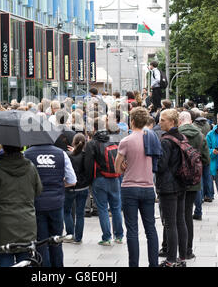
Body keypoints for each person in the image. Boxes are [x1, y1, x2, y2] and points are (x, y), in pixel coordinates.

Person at [0, 145, 42, 267]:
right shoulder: (31, 168)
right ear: (21, 148)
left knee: (4, 256)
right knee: (25, 259)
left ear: (4, 147)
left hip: (1, 222)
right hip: (26, 221)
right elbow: (38, 190)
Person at [114, 107, 159, 267]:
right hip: (148, 188)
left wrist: (126, 165)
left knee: (132, 230)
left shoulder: (126, 141)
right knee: (150, 229)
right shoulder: (152, 139)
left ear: (132, 121)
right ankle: (153, 263)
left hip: (130, 188)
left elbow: (117, 168)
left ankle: (134, 264)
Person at [24, 141, 77, 267]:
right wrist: (59, 185)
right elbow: (72, 180)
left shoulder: (27, 155)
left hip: (37, 205)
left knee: (41, 242)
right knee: (56, 241)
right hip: (56, 204)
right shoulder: (61, 154)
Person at [84, 116, 124, 246]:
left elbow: (88, 164)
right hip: (115, 177)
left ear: (94, 128)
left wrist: (89, 181)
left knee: (102, 209)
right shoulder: (114, 139)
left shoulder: (92, 143)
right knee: (116, 208)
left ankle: (106, 238)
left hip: (99, 179)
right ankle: (119, 236)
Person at [156, 109, 188, 267]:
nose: (160, 122)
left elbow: (161, 166)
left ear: (172, 122)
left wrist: (153, 159)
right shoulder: (182, 137)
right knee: (180, 221)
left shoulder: (165, 141)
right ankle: (182, 258)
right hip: (181, 183)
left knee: (170, 224)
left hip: (168, 186)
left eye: (163, 120)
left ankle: (170, 260)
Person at [178, 111, 210, 259]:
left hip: (177, 181)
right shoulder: (200, 135)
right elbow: (206, 159)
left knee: (176, 215)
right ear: (191, 121)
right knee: (188, 215)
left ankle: (172, 248)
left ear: (179, 121)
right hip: (193, 181)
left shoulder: (175, 135)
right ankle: (188, 250)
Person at [63, 134, 90, 244]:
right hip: (83, 187)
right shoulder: (86, 155)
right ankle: (78, 238)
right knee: (80, 214)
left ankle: (70, 234)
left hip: (70, 187)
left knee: (67, 211)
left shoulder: (68, 155)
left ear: (73, 143)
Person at [194, 112, 214, 202]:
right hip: (206, 150)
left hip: (198, 151)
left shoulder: (194, 125)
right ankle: (209, 195)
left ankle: (201, 196)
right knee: (208, 175)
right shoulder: (207, 124)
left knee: (200, 176)